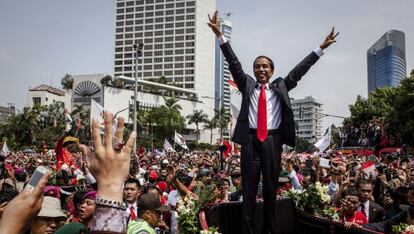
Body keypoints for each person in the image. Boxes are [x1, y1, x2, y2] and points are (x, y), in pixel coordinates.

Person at [207, 11, 339, 234]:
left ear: (272, 71)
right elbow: (234, 63)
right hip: (249, 141)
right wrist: (220, 35)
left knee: (270, 191)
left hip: (272, 140)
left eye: (265, 66)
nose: (260, 69)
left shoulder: (281, 86)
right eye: (257, 66)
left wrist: (321, 48)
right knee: (248, 193)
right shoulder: (247, 84)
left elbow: (299, 70)